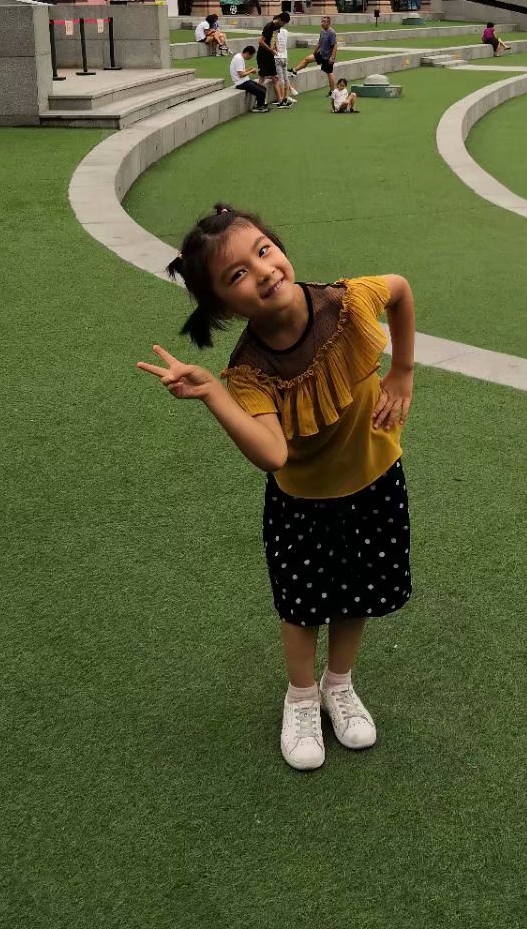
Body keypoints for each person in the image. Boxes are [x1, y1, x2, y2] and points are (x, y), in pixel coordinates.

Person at [137, 204, 415, 771]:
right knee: (302, 606)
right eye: (236, 274)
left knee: (357, 592)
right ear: (221, 306)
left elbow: (401, 290)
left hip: (374, 480)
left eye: (263, 251)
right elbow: (272, 454)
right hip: (303, 505)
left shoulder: (344, 302)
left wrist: (402, 370)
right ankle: (301, 697)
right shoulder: (250, 370)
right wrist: (214, 392)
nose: (262, 271)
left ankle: (339, 684)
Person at [293, 15, 338, 93]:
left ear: (328, 23)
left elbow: (335, 45)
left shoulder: (331, 33)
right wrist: (314, 52)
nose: (322, 23)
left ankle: (332, 91)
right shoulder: (322, 32)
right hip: (320, 54)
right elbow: (319, 43)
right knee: (307, 59)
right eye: (322, 21)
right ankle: (294, 70)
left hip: (327, 57)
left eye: (324, 22)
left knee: (329, 73)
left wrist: (332, 57)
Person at [258, 14, 292, 108]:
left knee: (275, 77)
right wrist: (271, 50)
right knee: (262, 77)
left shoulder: (277, 28)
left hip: (271, 55)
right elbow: (261, 41)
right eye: (283, 22)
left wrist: (275, 49)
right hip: (263, 55)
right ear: (280, 19)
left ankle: (280, 100)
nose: (283, 25)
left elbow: (273, 40)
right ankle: (259, 99)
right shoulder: (269, 26)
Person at [229, 45, 269, 113]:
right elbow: (241, 75)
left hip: (245, 80)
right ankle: (258, 107)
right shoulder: (238, 59)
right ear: (247, 53)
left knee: (263, 88)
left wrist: (249, 69)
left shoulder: (240, 57)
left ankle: (260, 103)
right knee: (260, 92)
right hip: (241, 83)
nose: (251, 58)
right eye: (251, 56)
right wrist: (251, 71)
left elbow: (241, 71)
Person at [272, 11, 297, 102]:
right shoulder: (286, 32)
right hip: (284, 56)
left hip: (277, 57)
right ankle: (287, 96)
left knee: (281, 78)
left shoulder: (275, 32)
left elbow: (273, 44)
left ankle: (282, 98)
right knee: (286, 77)